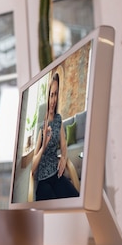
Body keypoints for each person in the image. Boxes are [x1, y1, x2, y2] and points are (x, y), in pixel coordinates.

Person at [31, 72, 80, 200]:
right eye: (51, 95)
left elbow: (63, 145)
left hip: (57, 176)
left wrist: (64, 157)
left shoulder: (58, 119)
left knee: (75, 197)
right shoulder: (42, 124)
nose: (53, 100)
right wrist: (43, 146)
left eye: (56, 94)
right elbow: (32, 167)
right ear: (47, 97)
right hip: (44, 181)